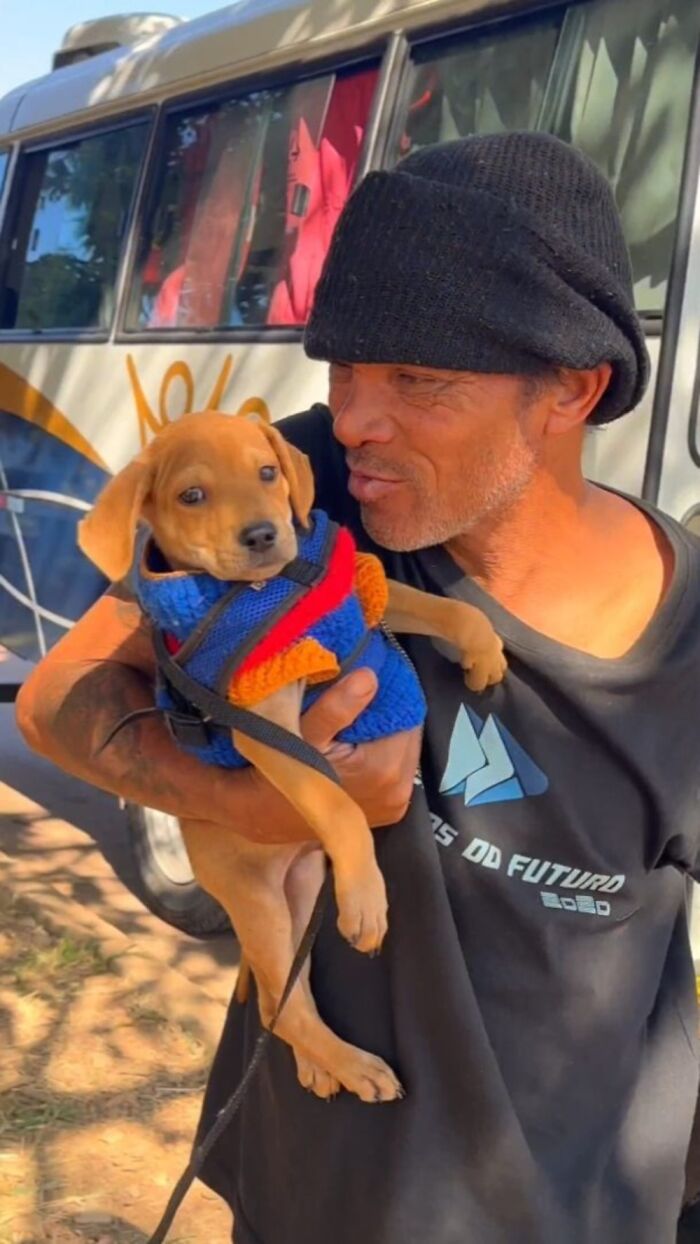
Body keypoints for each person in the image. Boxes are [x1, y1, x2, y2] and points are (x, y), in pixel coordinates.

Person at [16, 132, 700, 1244]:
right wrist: (261, 805)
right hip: (302, 1196)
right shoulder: (301, 485)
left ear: (572, 388)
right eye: (339, 370)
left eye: (417, 379)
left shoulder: (684, 646)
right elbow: (55, 701)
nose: (350, 417)